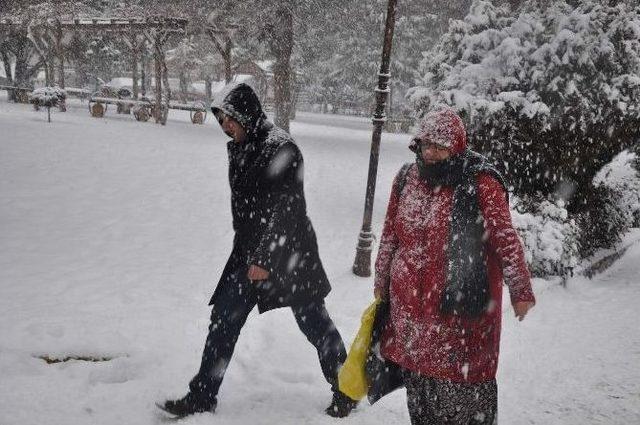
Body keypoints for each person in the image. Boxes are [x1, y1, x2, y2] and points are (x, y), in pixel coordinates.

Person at [160, 83, 357, 417]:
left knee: (314, 322)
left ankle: (347, 388)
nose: (225, 126)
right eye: (221, 119)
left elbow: (287, 210)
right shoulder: (241, 146)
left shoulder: (283, 150)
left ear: (246, 114)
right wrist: (251, 254)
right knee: (223, 319)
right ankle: (203, 395)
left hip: (289, 254)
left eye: (230, 118)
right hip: (248, 253)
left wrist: (265, 258)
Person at [372, 108, 535, 425]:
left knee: (464, 403)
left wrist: (520, 288)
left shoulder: (481, 182)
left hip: (460, 319)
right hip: (411, 315)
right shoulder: (407, 179)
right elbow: (391, 233)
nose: (430, 153)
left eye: (440, 146)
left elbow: (504, 236)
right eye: (425, 145)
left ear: (457, 146)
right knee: (421, 402)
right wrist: (381, 277)